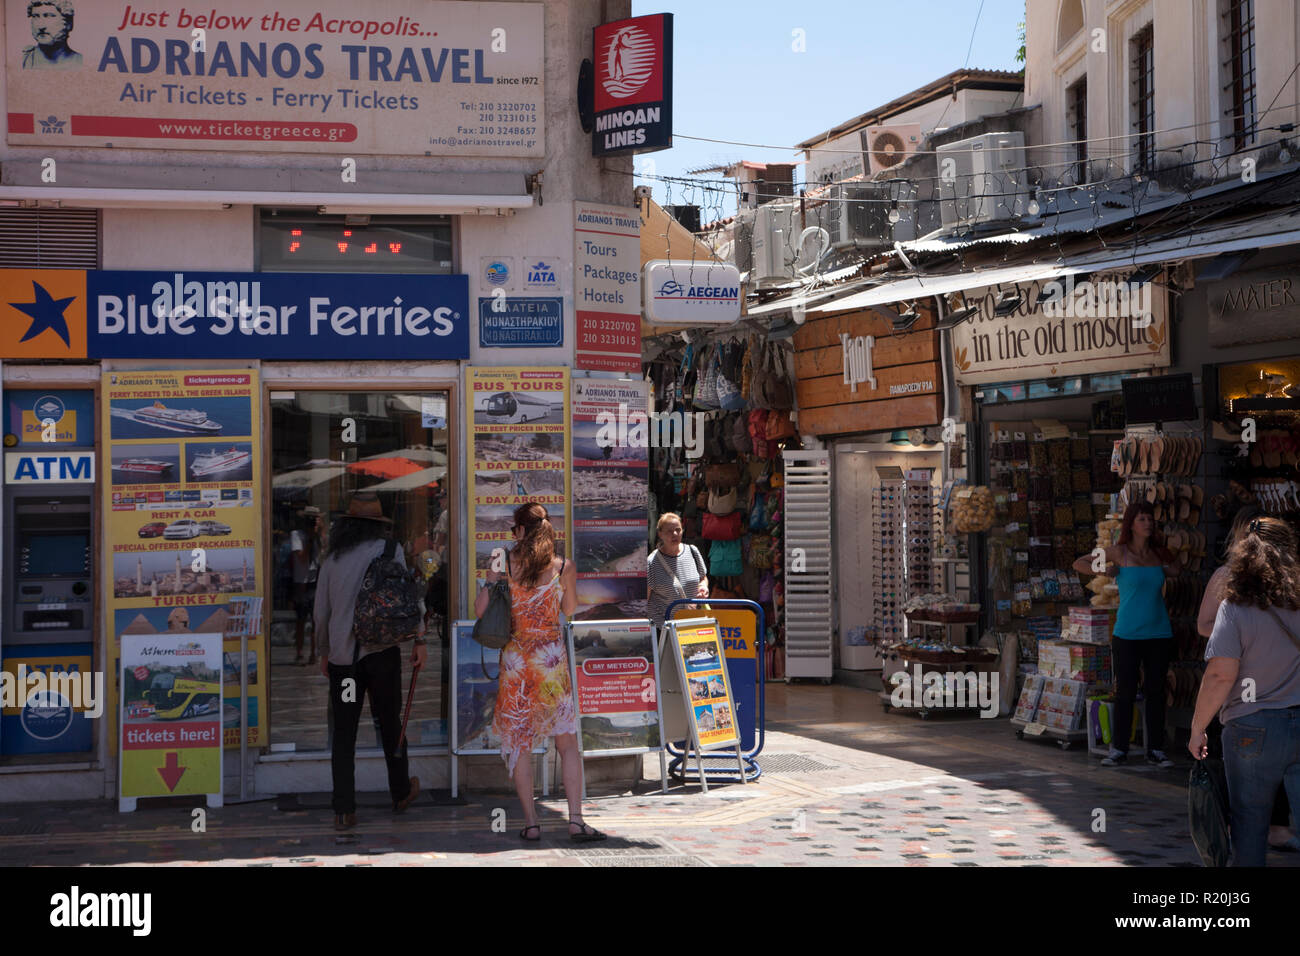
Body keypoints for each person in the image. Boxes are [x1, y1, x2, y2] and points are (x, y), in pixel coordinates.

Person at [474, 502, 602, 842]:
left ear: (518, 530)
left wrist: (493, 579)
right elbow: (570, 609)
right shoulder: (563, 566)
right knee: (567, 743)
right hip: (551, 662)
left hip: (516, 662)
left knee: (519, 742)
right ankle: (575, 820)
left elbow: (480, 610)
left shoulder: (502, 560)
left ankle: (531, 823)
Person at [1190, 516, 1300, 866]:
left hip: (1252, 727)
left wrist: (1197, 728)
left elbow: (1221, 674)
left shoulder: (1235, 607)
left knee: (1249, 828)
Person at [315, 492, 425, 830]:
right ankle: (400, 791)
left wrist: (324, 650)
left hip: (345, 664)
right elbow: (409, 599)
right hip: (381, 657)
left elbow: (321, 612)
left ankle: (344, 809)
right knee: (390, 722)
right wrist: (420, 640)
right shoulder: (390, 551)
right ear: (378, 525)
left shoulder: (333, 558)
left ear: (347, 525)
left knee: (345, 730)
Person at [1072, 500, 1176, 767]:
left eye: (1150, 518)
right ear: (1131, 523)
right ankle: (1119, 748)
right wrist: (1103, 569)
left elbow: (1178, 569)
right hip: (1127, 633)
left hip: (1159, 632)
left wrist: (1169, 564)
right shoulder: (1119, 553)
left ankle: (1156, 749)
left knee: (1155, 692)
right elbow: (1079, 563)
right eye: (1142, 519)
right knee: (1125, 692)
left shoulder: (1157, 553)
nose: (1148, 523)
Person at [647, 512, 710, 627]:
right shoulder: (652, 562)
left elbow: (703, 578)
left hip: (694, 624)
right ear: (660, 534)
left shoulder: (693, 551)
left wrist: (703, 586)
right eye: (669, 531)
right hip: (666, 629)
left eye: (678, 529)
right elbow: (645, 599)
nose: (675, 534)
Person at [291, 506, 323, 665]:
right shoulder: (297, 535)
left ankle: (313, 653)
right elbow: (302, 558)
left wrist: (319, 536)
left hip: (315, 582)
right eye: (313, 520)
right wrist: (309, 540)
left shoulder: (318, 537)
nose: (315, 522)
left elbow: (323, 557)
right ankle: (299, 652)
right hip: (301, 584)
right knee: (301, 621)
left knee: (316, 620)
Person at [22, 1, 82, 69]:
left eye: (49, 16)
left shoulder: (81, 62)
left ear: (69, 23)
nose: (41, 26)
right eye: (35, 16)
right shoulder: (24, 60)